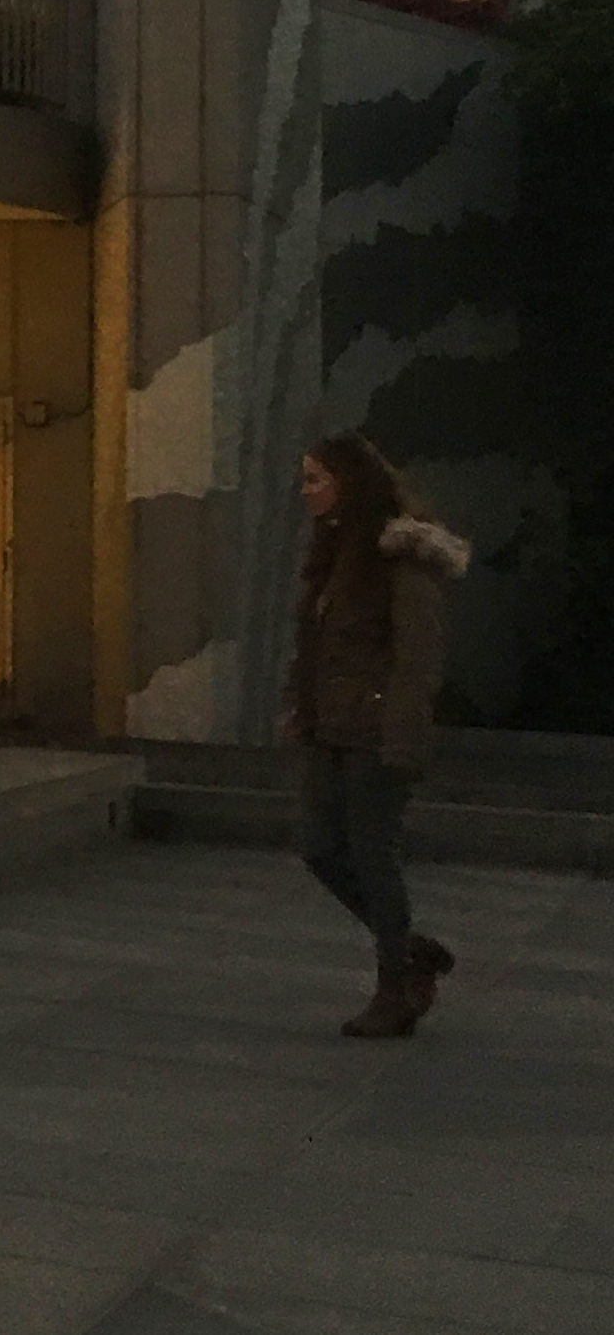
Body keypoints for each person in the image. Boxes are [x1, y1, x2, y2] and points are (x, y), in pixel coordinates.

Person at [281, 432, 471, 1038]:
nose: (305, 491)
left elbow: (418, 659)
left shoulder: (397, 555)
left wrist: (402, 742)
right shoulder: (334, 549)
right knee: (319, 847)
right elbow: (316, 647)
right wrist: (301, 708)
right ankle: (411, 949)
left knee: (372, 854)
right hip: (329, 727)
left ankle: (396, 986)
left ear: (349, 483)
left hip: (376, 730)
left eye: (316, 479)